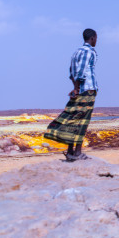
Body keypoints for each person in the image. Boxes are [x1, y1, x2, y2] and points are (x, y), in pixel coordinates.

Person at [44, 28, 98, 161]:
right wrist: (78, 88)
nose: (96, 41)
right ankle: (78, 153)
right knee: (82, 121)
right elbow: (81, 72)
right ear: (92, 38)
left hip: (79, 89)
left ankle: (70, 152)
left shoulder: (76, 52)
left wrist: (75, 88)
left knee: (73, 119)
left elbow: (71, 72)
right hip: (87, 90)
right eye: (96, 38)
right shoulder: (88, 51)